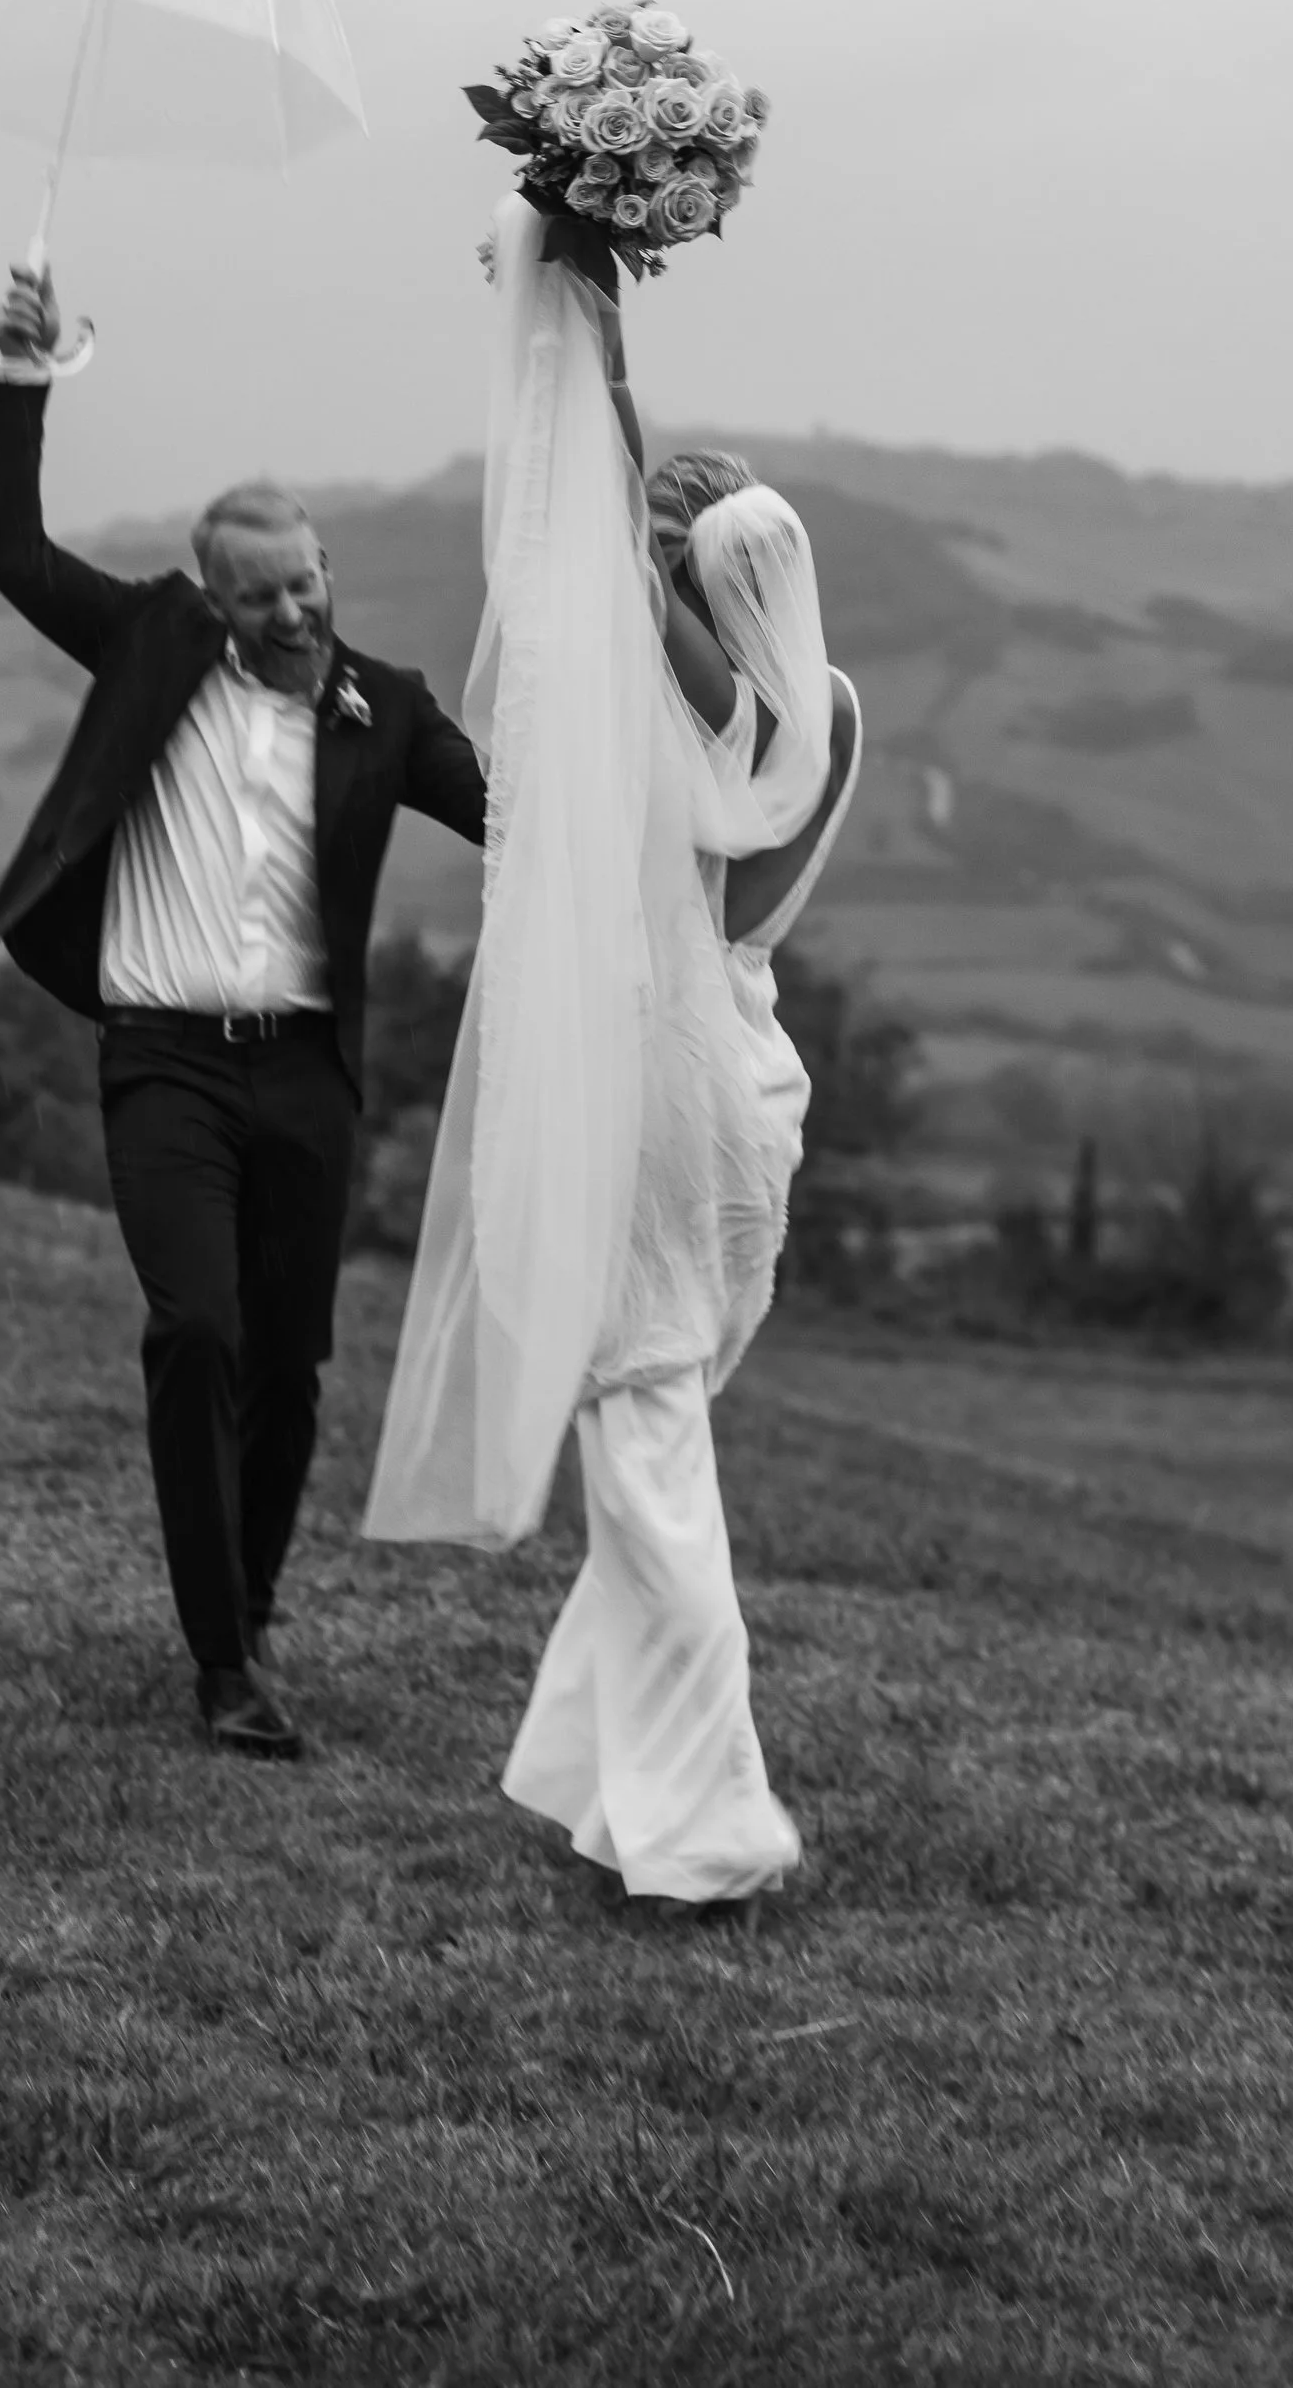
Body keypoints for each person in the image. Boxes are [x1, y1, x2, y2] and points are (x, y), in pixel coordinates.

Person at [363, 194, 862, 1904]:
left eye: (664, 551)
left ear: (695, 576)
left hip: (660, 1084)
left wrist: (584, 319)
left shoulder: (700, 702)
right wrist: (593, 322)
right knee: (651, 1432)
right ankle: (595, 1764)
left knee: (644, 1433)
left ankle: (707, 1820)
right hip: (748, 1079)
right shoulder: (825, 711)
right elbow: (642, 508)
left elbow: (608, 495)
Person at [0, 261, 487, 1764]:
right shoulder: (152, 643)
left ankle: (253, 1606)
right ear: (211, 591)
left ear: (328, 563)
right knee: (195, 1328)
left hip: (307, 1080)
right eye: (257, 597)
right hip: (167, 1062)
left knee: (292, 1363)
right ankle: (221, 1666)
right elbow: (0, 543)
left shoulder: (390, 707)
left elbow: (507, 815)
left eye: (305, 584)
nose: (288, 613)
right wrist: (20, 377)